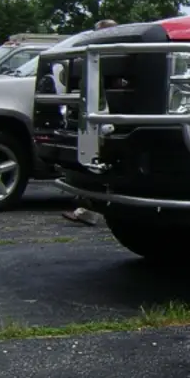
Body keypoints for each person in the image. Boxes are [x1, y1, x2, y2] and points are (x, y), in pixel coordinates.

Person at [63, 18, 118, 225]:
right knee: (92, 163)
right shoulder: (114, 55)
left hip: (101, 119)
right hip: (98, 118)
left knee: (94, 164)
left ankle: (88, 210)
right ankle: (88, 208)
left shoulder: (97, 57)